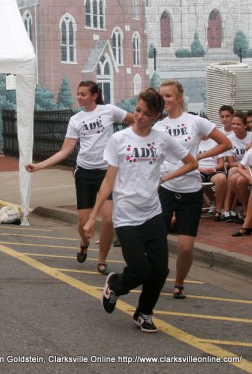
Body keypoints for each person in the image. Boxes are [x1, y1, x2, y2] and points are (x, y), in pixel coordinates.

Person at [83, 88, 198, 333]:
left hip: (152, 213)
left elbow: (192, 162)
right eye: (137, 110)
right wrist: (93, 216)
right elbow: (108, 181)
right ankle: (115, 284)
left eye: (147, 113)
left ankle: (143, 313)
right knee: (139, 269)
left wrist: (164, 178)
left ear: (156, 115)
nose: (140, 116)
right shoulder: (119, 139)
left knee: (160, 270)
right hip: (125, 216)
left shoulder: (162, 139)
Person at [25, 80, 134, 275]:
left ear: (94, 95)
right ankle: (84, 244)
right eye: (78, 93)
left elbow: (134, 121)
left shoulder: (110, 111)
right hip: (84, 172)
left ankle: (102, 260)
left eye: (83, 94)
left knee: (108, 220)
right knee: (83, 223)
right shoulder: (76, 119)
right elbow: (65, 150)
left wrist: (123, 143)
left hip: (106, 172)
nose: (79, 97)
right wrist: (39, 166)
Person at [154, 80, 231, 300]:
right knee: (158, 241)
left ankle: (179, 283)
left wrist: (198, 157)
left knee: (186, 247)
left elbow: (224, 143)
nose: (165, 100)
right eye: (162, 96)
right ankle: (156, 278)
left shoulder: (195, 122)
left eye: (168, 96)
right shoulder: (158, 126)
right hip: (165, 188)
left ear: (179, 97)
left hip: (191, 189)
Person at [222, 111, 252, 222]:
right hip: (240, 167)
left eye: (238, 124)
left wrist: (244, 164)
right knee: (233, 172)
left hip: (249, 167)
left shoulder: (251, 137)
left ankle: (231, 209)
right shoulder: (230, 138)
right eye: (233, 124)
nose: (235, 126)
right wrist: (243, 164)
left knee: (236, 177)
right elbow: (230, 163)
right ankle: (238, 209)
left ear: (245, 125)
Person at [198, 136, 227, 222]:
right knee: (194, 179)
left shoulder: (216, 143)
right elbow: (191, 163)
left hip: (214, 170)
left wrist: (214, 168)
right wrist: (202, 169)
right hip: (199, 170)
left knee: (221, 178)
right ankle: (199, 207)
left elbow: (221, 164)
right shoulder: (194, 142)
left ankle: (218, 209)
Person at [232, 147, 252, 236]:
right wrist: (249, 179)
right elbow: (240, 167)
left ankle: (246, 226)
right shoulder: (251, 152)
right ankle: (247, 225)